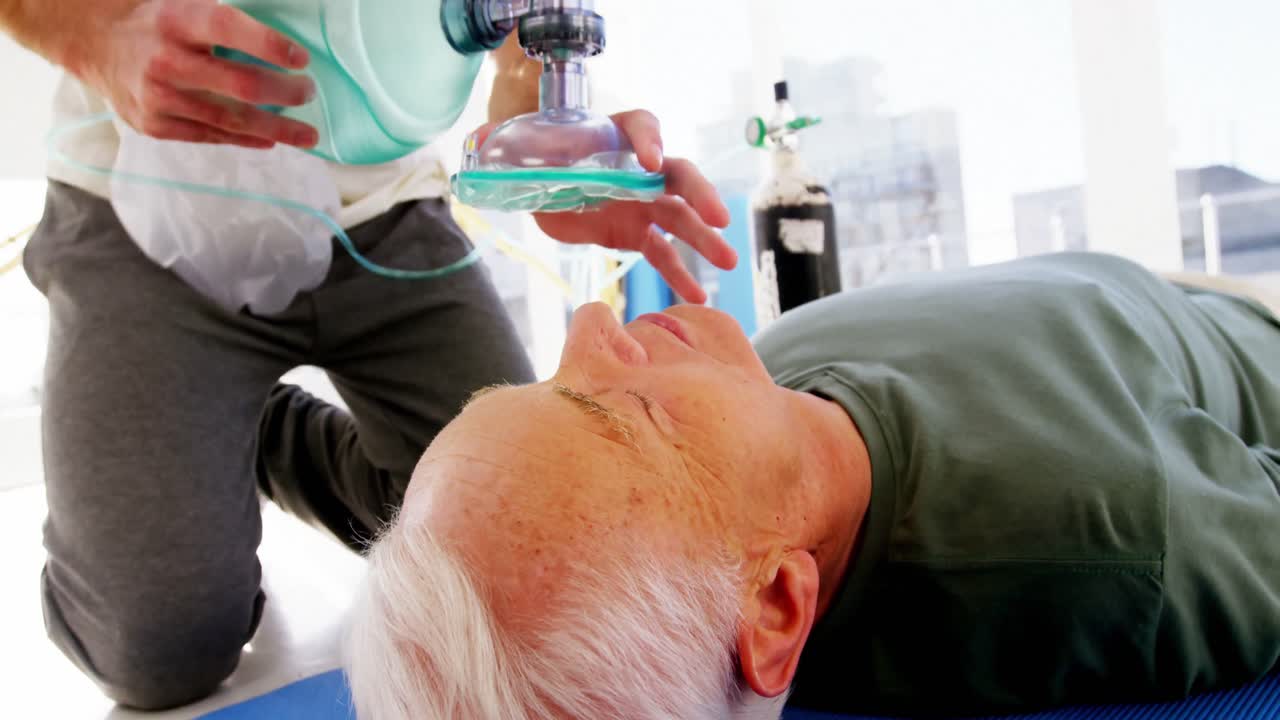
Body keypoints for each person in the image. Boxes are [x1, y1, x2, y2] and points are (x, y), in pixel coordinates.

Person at [0, 0, 736, 711]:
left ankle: (255, 435)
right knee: (156, 652)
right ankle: (176, 428)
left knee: (506, 548)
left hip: (388, 219)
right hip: (149, 200)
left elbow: (515, 47)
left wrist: (550, 151)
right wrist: (90, 30)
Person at [347, 251, 1280, 719]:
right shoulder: (1108, 542)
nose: (595, 325)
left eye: (546, 381)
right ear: (777, 607)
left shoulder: (742, 407)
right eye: (628, 416)